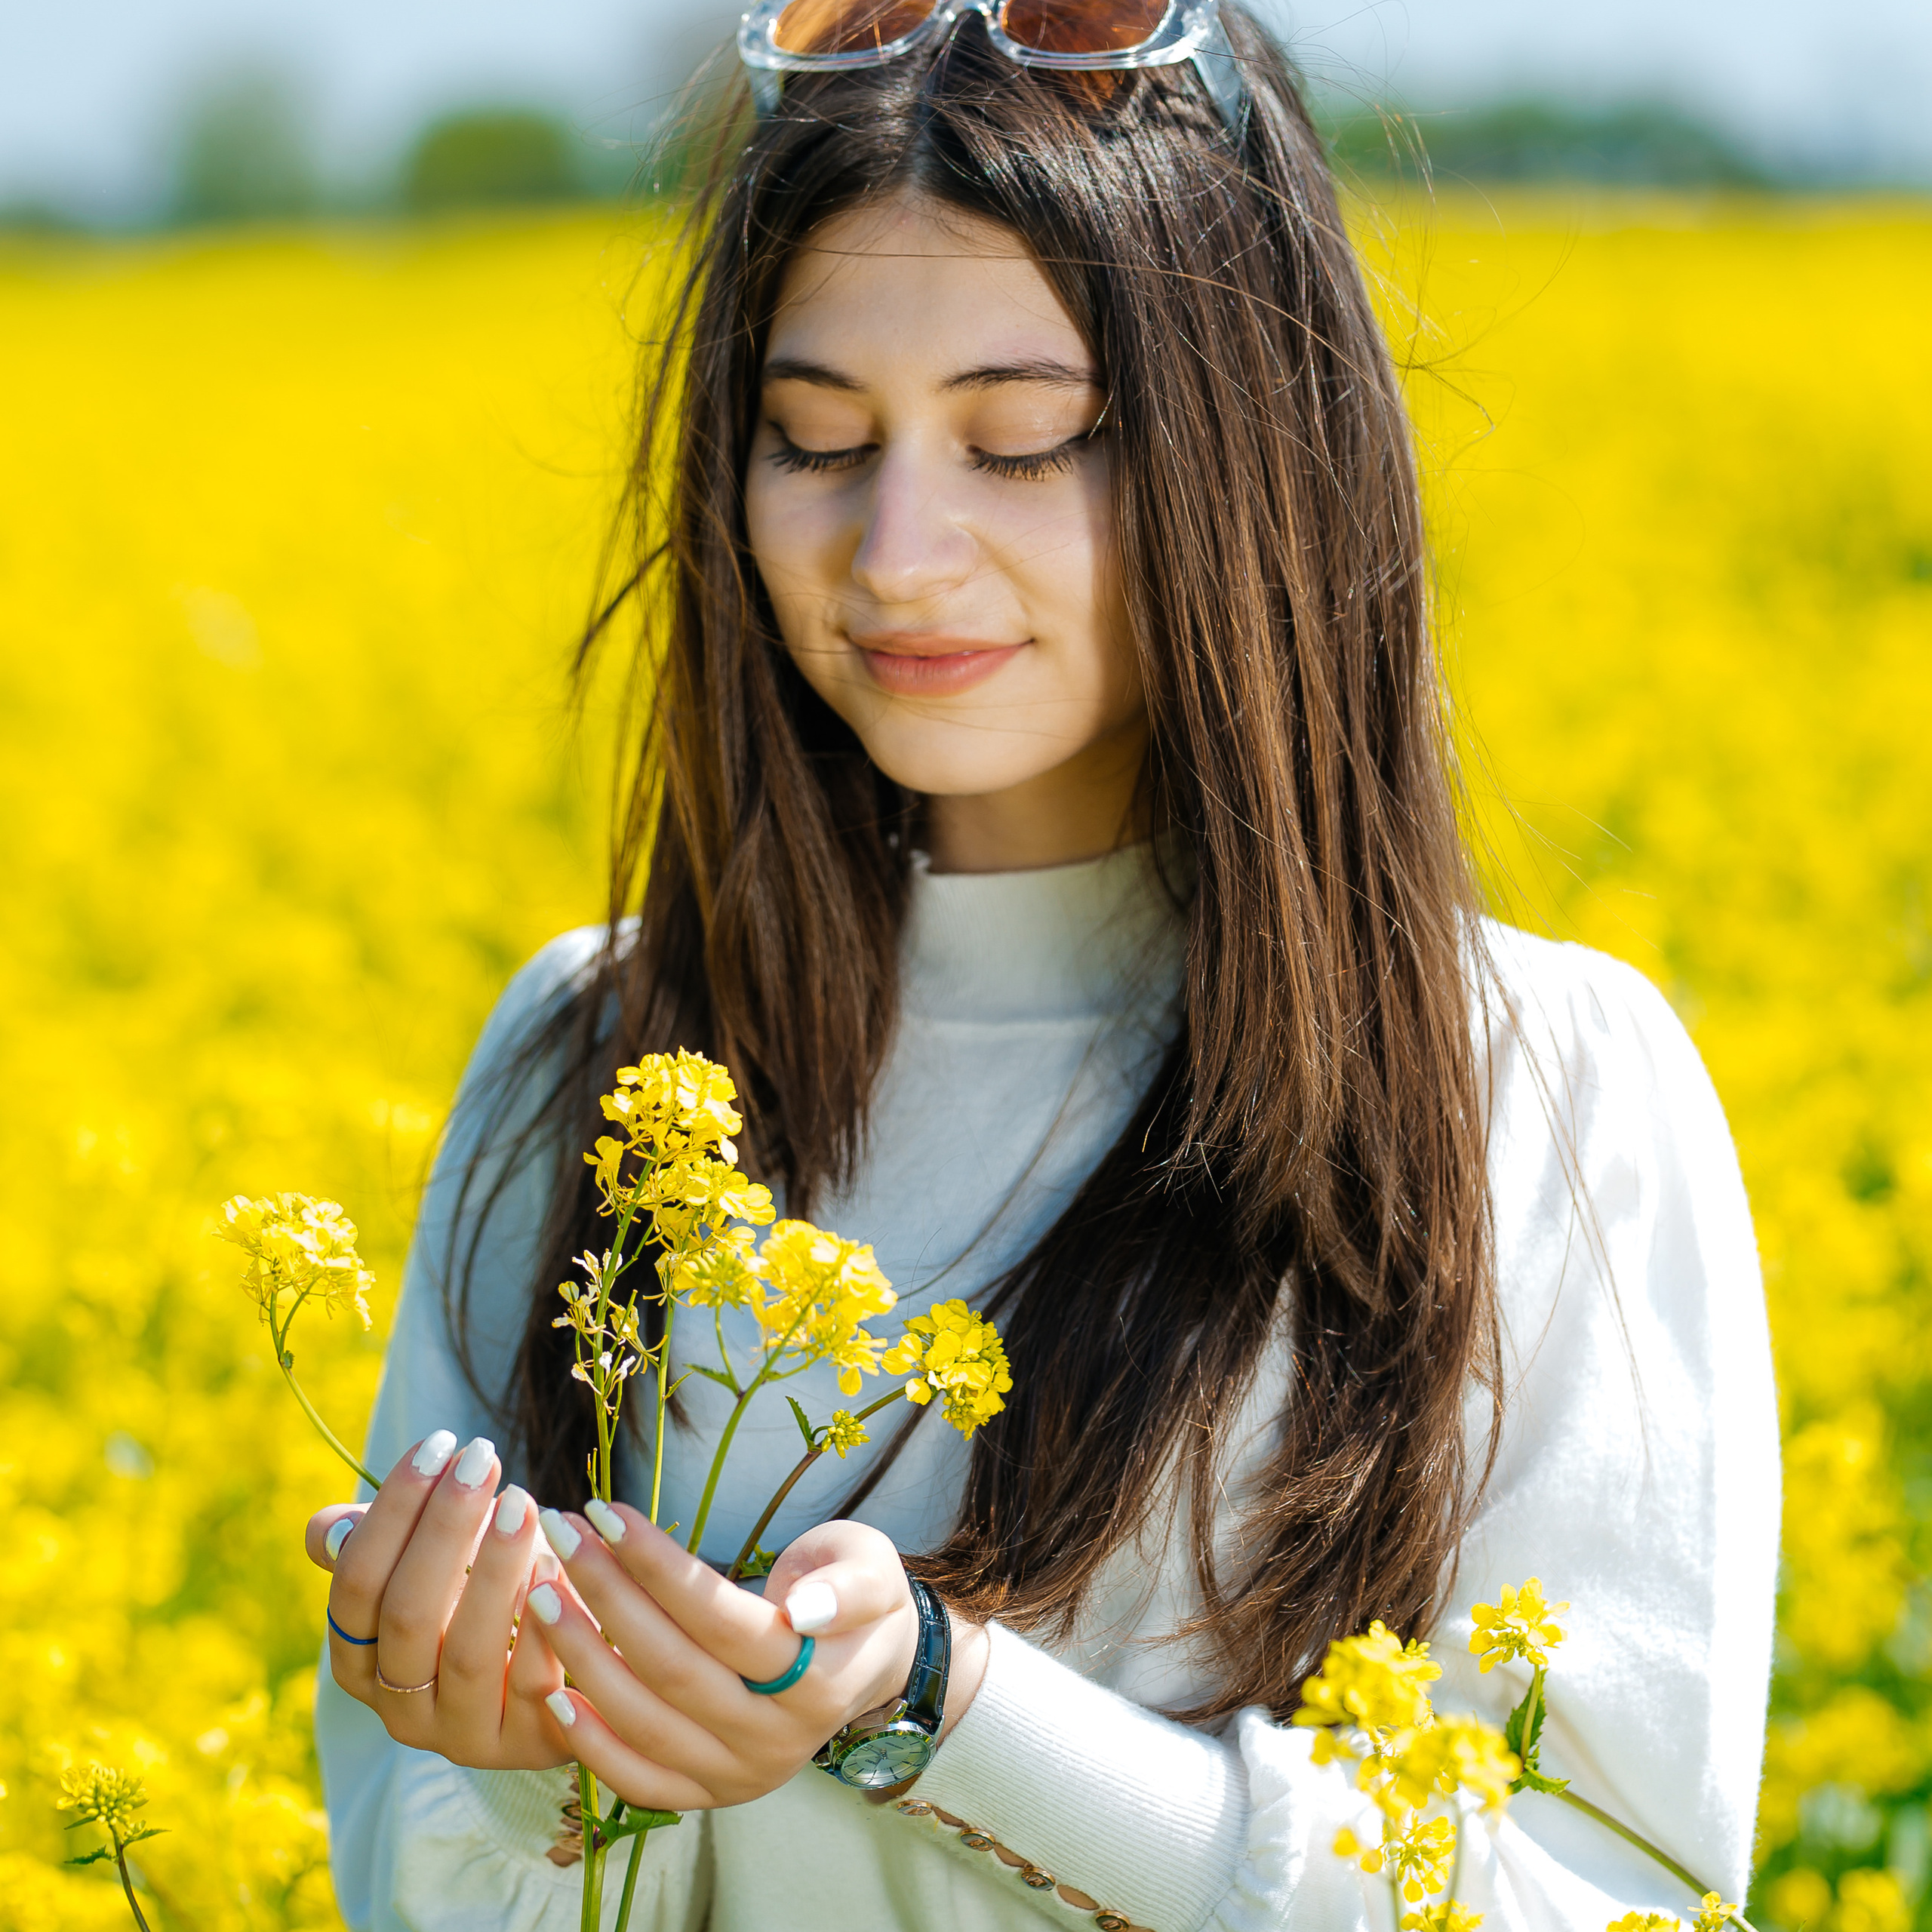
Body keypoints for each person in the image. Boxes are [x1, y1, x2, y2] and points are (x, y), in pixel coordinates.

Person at [305, 6, 1780, 1929]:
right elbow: (416, 1885)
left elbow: (1610, 1901)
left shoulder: (1551, 1093)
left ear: (1251, 454)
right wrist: (518, 1781)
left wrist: (945, 1703)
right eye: (813, 438)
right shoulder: (587, 1055)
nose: (895, 552)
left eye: (1019, 442)